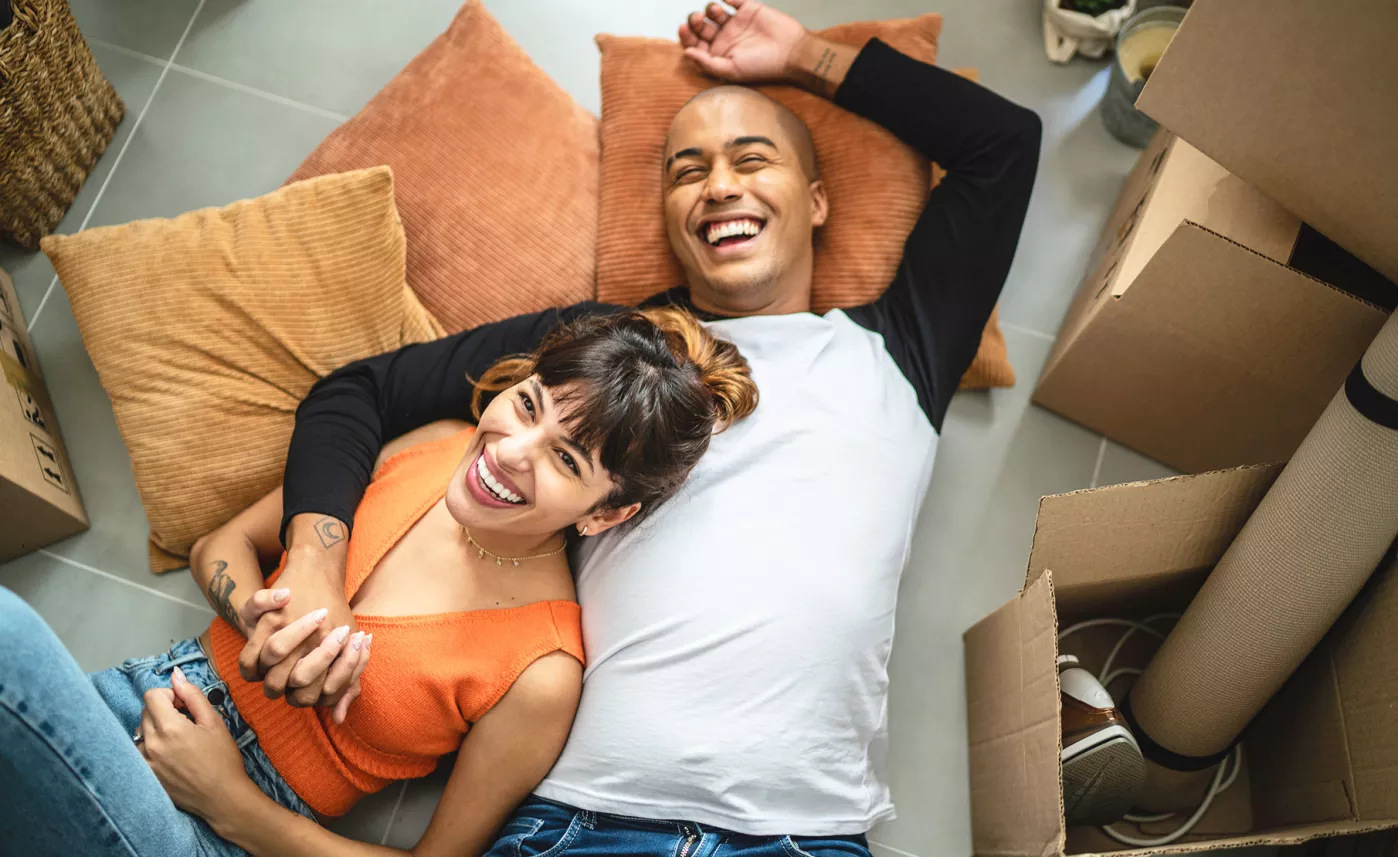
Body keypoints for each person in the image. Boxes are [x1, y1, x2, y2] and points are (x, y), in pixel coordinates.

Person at [204, 1, 1041, 854]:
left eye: (753, 160)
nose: (719, 185)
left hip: (804, 833)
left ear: (819, 199)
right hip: (580, 820)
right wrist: (315, 558)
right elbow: (360, 392)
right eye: (687, 170)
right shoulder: (605, 354)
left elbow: (1003, 146)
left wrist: (803, 57)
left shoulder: (900, 350)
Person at [0, 308, 758, 857]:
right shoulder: (435, 445)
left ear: (606, 512)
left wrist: (230, 802)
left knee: (9, 637)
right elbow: (220, 543)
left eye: (566, 461)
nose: (511, 452)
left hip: (215, 832)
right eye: (526, 406)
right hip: (133, 701)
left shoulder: (542, 670)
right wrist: (260, 616)